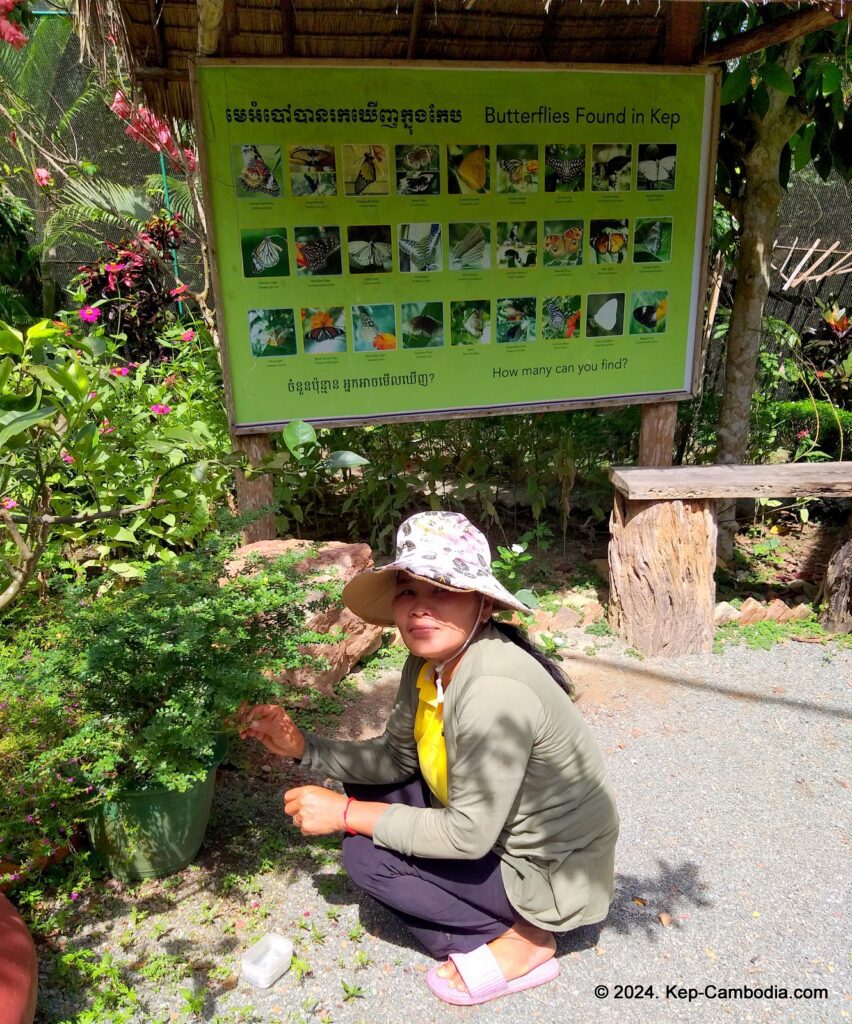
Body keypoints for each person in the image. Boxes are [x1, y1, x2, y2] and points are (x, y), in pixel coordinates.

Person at [238, 511, 618, 1006]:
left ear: (482, 606)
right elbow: (396, 759)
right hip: (492, 829)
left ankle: (528, 938)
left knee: (364, 856)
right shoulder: (429, 661)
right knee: (375, 791)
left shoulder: (492, 690)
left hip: (548, 870)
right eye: (409, 591)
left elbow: (467, 834)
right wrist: (303, 747)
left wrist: (346, 815)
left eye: (442, 590)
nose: (420, 609)